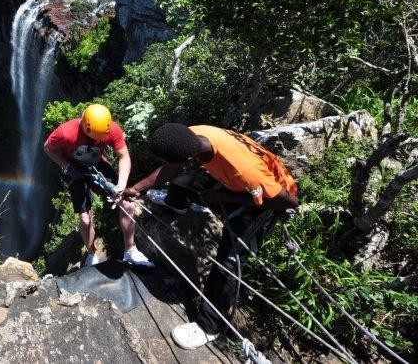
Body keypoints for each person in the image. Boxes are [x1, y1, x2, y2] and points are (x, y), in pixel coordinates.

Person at [122, 123, 298, 349]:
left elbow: (288, 201)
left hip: (267, 200)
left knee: (230, 260)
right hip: (235, 182)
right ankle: (176, 204)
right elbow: (170, 168)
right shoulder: (194, 135)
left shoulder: (245, 170)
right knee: (180, 183)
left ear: (189, 154)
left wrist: (223, 197)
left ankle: (209, 326)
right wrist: (138, 188)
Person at [44, 104, 154, 268]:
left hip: (97, 162)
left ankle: (130, 250)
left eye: (100, 138)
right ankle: (91, 253)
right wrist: (67, 166)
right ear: (84, 126)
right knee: (85, 219)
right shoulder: (65, 132)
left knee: (127, 205)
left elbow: (123, 156)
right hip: (73, 167)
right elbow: (48, 148)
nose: (97, 140)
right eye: (94, 137)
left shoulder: (112, 129)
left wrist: (121, 186)